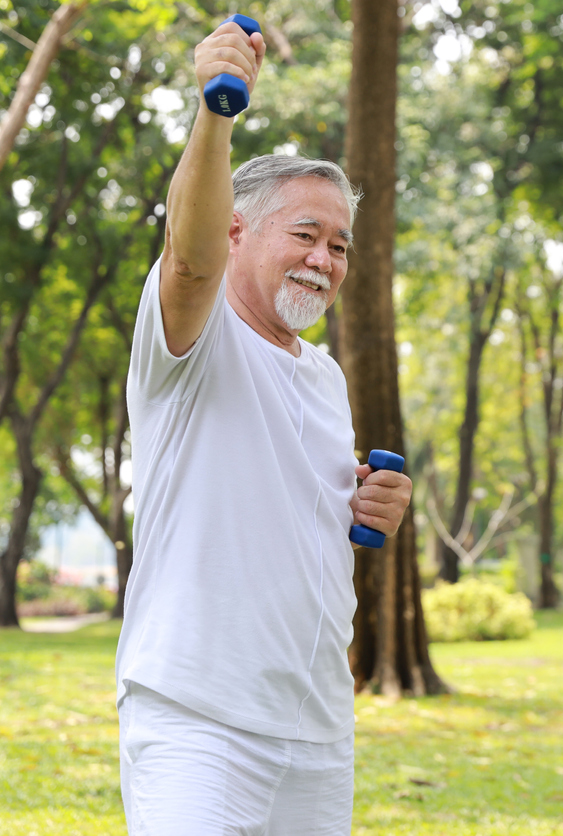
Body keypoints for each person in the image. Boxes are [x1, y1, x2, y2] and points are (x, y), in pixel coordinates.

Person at [115, 19, 412, 835]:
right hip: (197, 721)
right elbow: (190, 257)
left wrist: (370, 504)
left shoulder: (323, 376)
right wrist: (217, 110)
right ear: (240, 230)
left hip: (317, 731)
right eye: (306, 235)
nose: (325, 260)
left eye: (340, 246)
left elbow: (294, 502)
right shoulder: (193, 334)